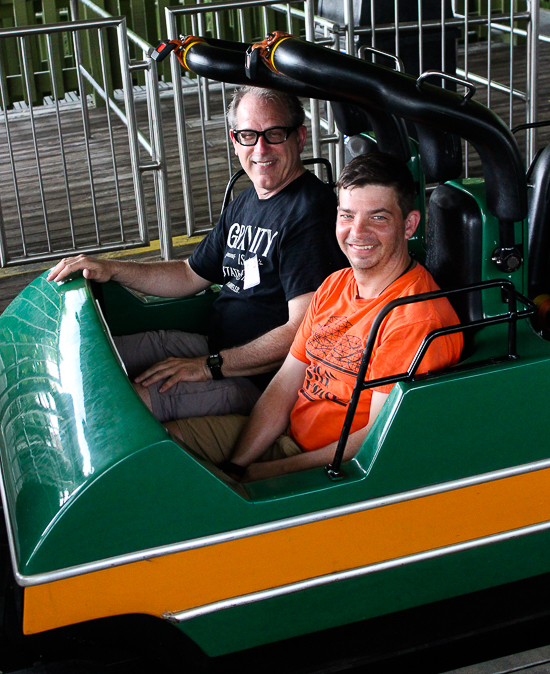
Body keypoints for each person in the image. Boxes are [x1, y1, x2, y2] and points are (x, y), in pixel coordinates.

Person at [47, 86, 347, 422]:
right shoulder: (247, 202)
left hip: (259, 381)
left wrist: (208, 366)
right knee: (88, 357)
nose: (261, 148)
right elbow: (190, 274)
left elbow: (301, 332)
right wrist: (111, 268)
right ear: (235, 142)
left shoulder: (311, 213)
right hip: (215, 347)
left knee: (118, 406)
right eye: (248, 135)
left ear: (300, 138)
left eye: (274, 134)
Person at [165, 152, 463, 481]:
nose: (357, 232)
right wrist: (237, 464)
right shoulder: (335, 284)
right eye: (347, 216)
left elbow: (375, 439)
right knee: (163, 450)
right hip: (287, 440)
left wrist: (264, 473)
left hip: (330, 470)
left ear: (409, 225)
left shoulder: (414, 319)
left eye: (378, 218)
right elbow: (285, 384)